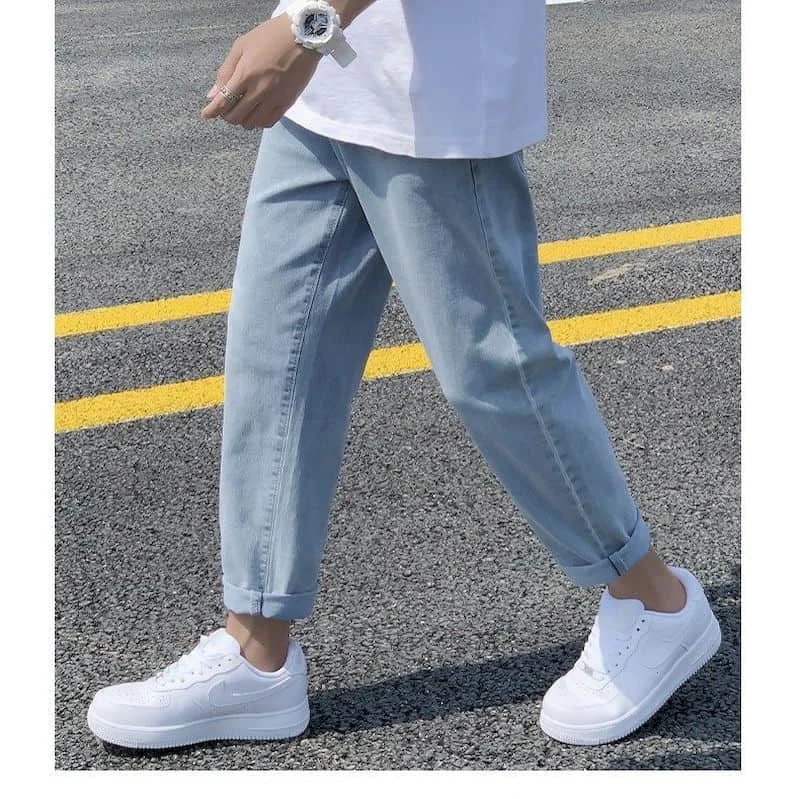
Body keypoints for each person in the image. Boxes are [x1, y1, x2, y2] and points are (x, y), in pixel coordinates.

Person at [86, 0, 721, 750]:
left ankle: (654, 599)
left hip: (434, 93)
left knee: (492, 368)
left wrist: (306, 26)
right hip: (323, 92)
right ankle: (257, 650)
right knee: (276, 362)